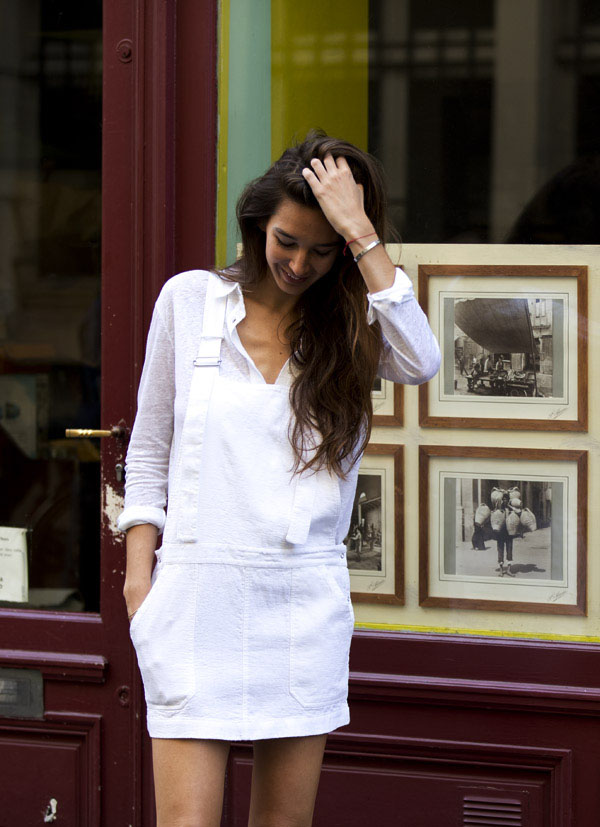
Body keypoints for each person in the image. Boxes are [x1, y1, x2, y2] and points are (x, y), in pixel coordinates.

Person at [117, 131, 440, 827]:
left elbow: (422, 360)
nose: (299, 263)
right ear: (259, 222)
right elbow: (147, 451)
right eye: (287, 240)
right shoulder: (190, 301)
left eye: (322, 249)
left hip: (299, 605)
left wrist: (360, 232)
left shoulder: (353, 327)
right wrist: (138, 578)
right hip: (195, 599)